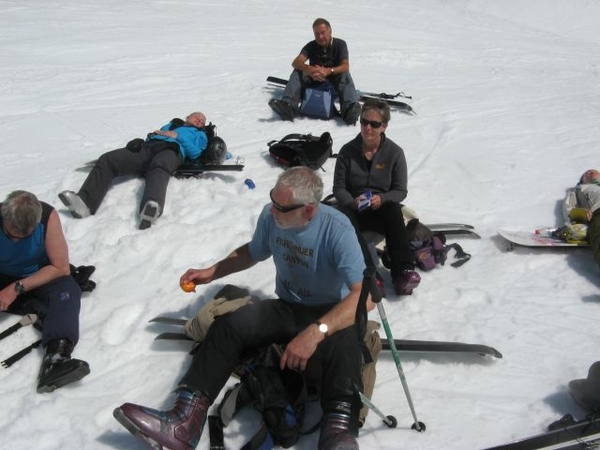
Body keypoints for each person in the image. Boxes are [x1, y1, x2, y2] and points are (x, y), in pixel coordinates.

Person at [113, 167, 373, 450]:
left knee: (346, 342)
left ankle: (337, 433)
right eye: (272, 200)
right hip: (290, 306)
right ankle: (184, 422)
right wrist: (212, 272)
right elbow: (252, 252)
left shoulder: (337, 229)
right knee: (230, 325)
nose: (272, 211)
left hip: (332, 312)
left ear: (309, 210)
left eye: (281, 207)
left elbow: (364, 298)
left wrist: (316, 332)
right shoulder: (272, 216)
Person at [0, 190, 89, 393]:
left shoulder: (48, 218)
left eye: (24, 236)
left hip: (38, 276)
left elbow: (60, 267)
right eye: (9, 234)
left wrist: (16, 288)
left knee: (67, 290)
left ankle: (56, 359)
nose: (15, 241)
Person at [59, 112, 208, 230]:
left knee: (159, 167)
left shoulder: (200, 135)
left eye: (202, 121)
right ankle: (85, 203)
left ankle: (151, 207)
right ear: (187, 117)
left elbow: (195, 153)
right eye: (197, 116)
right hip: (149, 148)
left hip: (172, 151)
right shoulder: (173, 124)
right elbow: (158, 134)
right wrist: (143, 141)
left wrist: (178, 137)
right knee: (108, 159)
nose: (200, 120)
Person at [333, 98, 421, 296]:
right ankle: (369, 274)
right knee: (344, 218)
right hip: (354, 208)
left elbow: (400, 191)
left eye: (374, 124)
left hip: (380, 208)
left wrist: (382, 198)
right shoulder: (347, 151)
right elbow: (339, 188)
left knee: (393, 210)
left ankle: (403, 272)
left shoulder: (394, 153)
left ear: (384, 126)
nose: (368, 128)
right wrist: (351, 201)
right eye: (364, 122)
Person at [269, 17, 361, 125]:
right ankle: (288, 106)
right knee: (298, 71)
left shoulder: (340, 44)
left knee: (344, 74)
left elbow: (345, 65)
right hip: (314, 79)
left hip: (333, 81)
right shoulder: (311, 46)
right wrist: (310, 69)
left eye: (323, 33)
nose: (320, 37)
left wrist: (328, 71)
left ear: (330, 31)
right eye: (316, 34)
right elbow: (296, 62)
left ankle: (349, 110)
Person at [563, 169, 600, 266]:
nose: (590, 172)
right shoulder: (578, 189)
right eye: (586, 173)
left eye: (594, 171)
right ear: (582, 180)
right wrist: (580, 213)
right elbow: (568, 210)